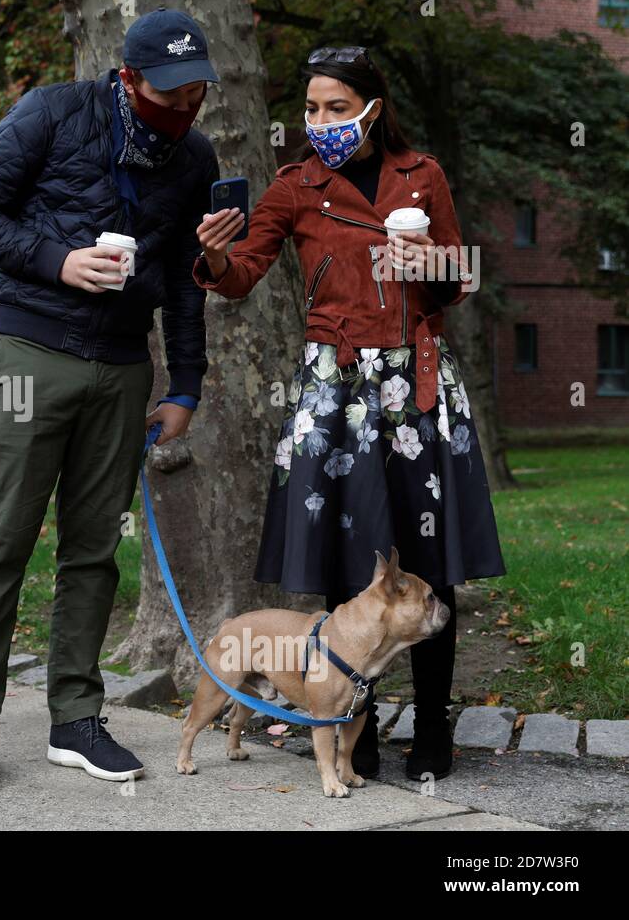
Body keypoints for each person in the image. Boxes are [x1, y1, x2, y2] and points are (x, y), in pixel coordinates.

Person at [193, 46, 505, 781]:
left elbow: (461, 276)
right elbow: (242, 275)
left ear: (372, 105)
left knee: (426, 565)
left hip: (417, 387)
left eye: (337, 107)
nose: (322, 122)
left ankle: (433, 727)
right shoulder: (296, 183)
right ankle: (346, 726)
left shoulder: (421, 174)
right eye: (311, 109)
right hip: (336, 392)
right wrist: (209, 256)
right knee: (348, 558)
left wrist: (429, 259)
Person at [0, 8, 218, 796]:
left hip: (125, 367)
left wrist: (185, 386)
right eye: (170, 92)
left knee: (93, 551)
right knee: (0, 541)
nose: (187, 105)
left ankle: (75, 719)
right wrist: (60, 262)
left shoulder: (194, 156)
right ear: (128, 79)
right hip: (27, 347)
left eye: (197, 90)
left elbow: (189, 286)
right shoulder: (51, 111)